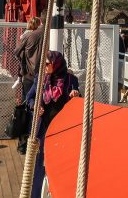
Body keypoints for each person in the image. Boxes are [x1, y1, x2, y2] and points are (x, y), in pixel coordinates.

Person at [25, 51, 80, 198]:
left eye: (48, 64)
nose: (45, 66)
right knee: (41, 163)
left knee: (62, 164)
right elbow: (29, 97)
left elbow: (78, 98)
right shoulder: (41, 79)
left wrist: (76, 94)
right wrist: (34, 106)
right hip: (44, 129)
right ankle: (36, 195)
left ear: (57, 64)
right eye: (44, 63)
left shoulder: (70, 80)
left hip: (63, 130)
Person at [13, 23, 45, 154]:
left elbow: (16, 52)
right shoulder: (52, 34)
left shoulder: (30, 36)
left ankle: (24, 145)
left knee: (28, 109)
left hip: (30, 77)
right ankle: (39, 142)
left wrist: (23, 64)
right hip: (45, 77)